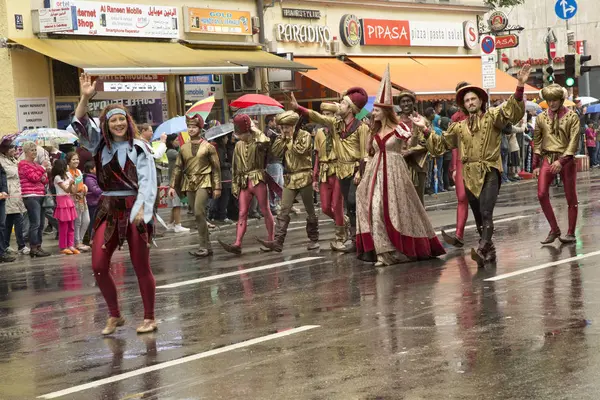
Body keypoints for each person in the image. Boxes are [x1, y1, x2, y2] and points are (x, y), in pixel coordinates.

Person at [416, 64, 530, 266]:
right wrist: (425, 130)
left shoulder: (493, 117)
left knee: (486, 211)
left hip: (490, 170)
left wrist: (520, 85)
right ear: (463, 105)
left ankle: (482, 247)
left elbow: (512, 110)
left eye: (473, 99)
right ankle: (490, 250)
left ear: (481, 100)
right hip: (468, 174)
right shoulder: (458, 127)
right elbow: (441, 144)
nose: (470, 102)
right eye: (467, 100)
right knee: (478, 216)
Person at [72, 73, 159, 335]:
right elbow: (79, 123)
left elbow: (148, 182)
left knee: (140, 265)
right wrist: (85, 97)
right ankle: (115, 315)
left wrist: (142, 210)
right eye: (113, 120)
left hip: (135, 206)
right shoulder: (99, 147)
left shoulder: (140, 148)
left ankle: (149, 317)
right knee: (98, 265)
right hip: (108, 209)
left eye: (122, 119)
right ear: (107, 125)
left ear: (128, 122)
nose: (118, 123)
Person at [356, 66, 445, 266]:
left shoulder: (401, 128)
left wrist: (419, 129)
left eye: (376, 110)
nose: (373, 113)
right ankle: (382, 251)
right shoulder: (374, 132)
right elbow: (369, 153)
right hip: (376, 173)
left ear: (385, 111)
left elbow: (413, 143)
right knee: (375, 208)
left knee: (398, 209)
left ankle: (398, 249)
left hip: (395, 171)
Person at [290, 87, 370, 252]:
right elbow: (318, 116)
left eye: (343, 103)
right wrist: (299, 108)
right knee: (349, 206)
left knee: (355, 204)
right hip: (340, 171)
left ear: (351, 109)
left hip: (356, 171)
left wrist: (359, 172)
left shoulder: (362, 128)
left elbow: (365, 155)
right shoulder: (336, 124)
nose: (339, 106)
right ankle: (355, 241)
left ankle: (363, 239)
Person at [257, 111, 319, 252]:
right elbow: (276, 153)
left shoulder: (305, 135)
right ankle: (278, 241)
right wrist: (281, 140)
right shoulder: (282, 137)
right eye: (282, 127)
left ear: (293, 126)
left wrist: (290, 140)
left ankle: (313, 239)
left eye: (287, 127)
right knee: (284, 209)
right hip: (290, 178)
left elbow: (301, 151)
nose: (284, 130)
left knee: (310, 210)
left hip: (304, 176)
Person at [218, 114, 274, 255]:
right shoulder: (238, 146)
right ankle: (237, 243)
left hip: (258, 178)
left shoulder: (259, 142)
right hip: (244, 181)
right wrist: (235, 185)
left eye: (241, 133)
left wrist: (254, 128)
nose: (239, 136)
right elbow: (235, 167)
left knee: (265, 209)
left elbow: (266, 142)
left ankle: (271, 239)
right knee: (242, 213)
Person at [533, 83, 581, 244]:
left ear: (561, 100)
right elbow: (537, 141)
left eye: (554, 100)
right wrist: (536, 165)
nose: (551, 103)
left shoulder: (572, 117)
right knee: (541, 193)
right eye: (548, 100)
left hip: (566, 160)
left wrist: (562, 161)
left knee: (570, 197)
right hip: (547, 158)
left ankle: (571, 233)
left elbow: (574, 142)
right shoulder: (540, 118)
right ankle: (554, 229)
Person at [169, 115, 221, 258]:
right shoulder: (183, 148)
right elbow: (178, 168)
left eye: (194, 127)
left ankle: (203, 246)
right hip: (189, 183)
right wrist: (173, 186)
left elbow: (216, 168)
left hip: (205, 181)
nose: (191, 130)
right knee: (198, 216)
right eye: (189, 127)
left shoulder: (209, 147)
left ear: (200, 128)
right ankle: (206, 246)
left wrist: (217, 187)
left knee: (199, 212)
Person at [313, 102, 346, 251]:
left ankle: (340, 236)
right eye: (324, 115)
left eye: (329, 115)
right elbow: (318, 155)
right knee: (325, 207)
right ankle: (343, 222)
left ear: (335, 116)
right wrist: (314, 177)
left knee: (336, 205)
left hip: (338, 168)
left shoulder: (340, 130)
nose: (325, 117)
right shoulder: (319, 133)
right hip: (324, 170)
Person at [441, 82, 471, 248]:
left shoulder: (483, 115)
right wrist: (453, 168)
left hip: (479, 162)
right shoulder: (455, 118)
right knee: (461, 198)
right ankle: (459, 234)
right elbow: (453, 145)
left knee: (480, 202)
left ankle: (485, 239)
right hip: (461, 161)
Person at [396, 90, 430, 205]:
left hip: (418, 164)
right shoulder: (394, 122)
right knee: (401, 199)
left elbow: (428, 142)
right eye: (403, 101)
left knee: (418, 199)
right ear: (399, 104)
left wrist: (410, 151)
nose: (406, 104)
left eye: (408, 101)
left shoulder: (422, 120)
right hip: (399, 165)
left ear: (413, 102)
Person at [18, 141, 51, 258]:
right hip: (30, 196)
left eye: (35, 150)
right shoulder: (23, 164)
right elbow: (33, 177)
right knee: (35, 223)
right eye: (32, 150)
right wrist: (42, 168)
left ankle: (39, 246)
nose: (34, 152)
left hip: (40, 195)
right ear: (26, 152)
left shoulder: (36, 165)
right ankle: (33, 247)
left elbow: (43, 180)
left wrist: (44, 173)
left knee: (41, 223)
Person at [0, 142, 28, 255]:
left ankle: (6, 244)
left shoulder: (14, 159)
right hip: (9, 192)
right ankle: (21, 245)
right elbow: (10, 172)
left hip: (17, 191)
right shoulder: (2, 160)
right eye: (11, 148)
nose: (14, 150)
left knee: (10, 220)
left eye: (14, 147)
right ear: (5, 149)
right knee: (16, 219)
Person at [52, 159, 79, 255]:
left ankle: (70, 245)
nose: (68, 166)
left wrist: (75, 182)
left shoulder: (69, 175)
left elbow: (73, 191)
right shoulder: (57, 178)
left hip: (69, 201)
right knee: (64, 226)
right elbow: (66, 190)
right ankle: (63, 246)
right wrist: (71, 184)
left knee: (71, 225)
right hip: (62, 201)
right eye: (66, 164)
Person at [66, 152, 91, 252]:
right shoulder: (67, 173)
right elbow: (71, 188)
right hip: (74, 199)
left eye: (77, 159)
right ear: (68, 161)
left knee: (86, 220)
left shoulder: (79, 171)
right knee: (77, 221)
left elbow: (82, 184)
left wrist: (85, 188)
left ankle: (79, 240)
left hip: (82, 199)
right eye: (73, 159)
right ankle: (77, 242)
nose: (76, 161)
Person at [210, 132, 233, 225]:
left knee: (223, 196)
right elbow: (220, 163)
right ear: (222, 139)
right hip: (223, 175)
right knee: (223, 196)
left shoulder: (222, 148)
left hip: (223, 174)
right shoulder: (219, 149)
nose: (227, 139)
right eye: (226, 137)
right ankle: (221, 215)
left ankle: (217, 214)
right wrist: (229, 164)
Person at [265, 115, 284, 215]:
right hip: (272, 162)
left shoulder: (272, 131)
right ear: (270, 122)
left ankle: (277, 204)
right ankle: (272, 206)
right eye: (275, 121)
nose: (276, 123)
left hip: (278, 161)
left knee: (280, 185)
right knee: (273, 185)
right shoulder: (269, 132)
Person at [84, 161, 102, 239]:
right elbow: (95, 190)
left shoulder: (94, 178)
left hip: (96, 202)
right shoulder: (89, 179)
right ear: (91, 170)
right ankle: (92, 237)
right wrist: (104, 189)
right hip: (92, 203)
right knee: (93, 221)